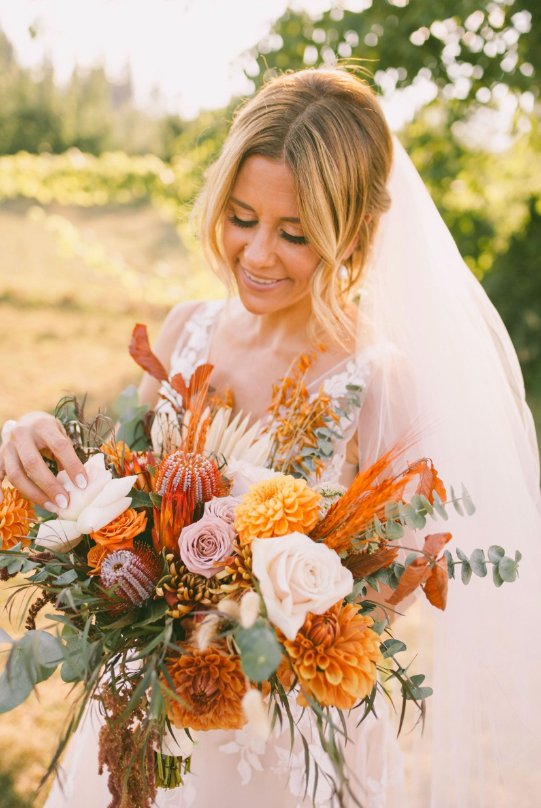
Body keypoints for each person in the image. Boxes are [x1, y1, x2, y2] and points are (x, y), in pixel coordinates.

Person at [1, 67, 540, 807]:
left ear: (353, 233)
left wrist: (247, 629)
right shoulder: (185, 330)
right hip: (148, 709)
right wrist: (39, 435)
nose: (256, 254)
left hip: (283, 742)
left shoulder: (377, 380)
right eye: (240, 217)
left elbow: (385, 598)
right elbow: (115, 481)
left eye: (294, 234)